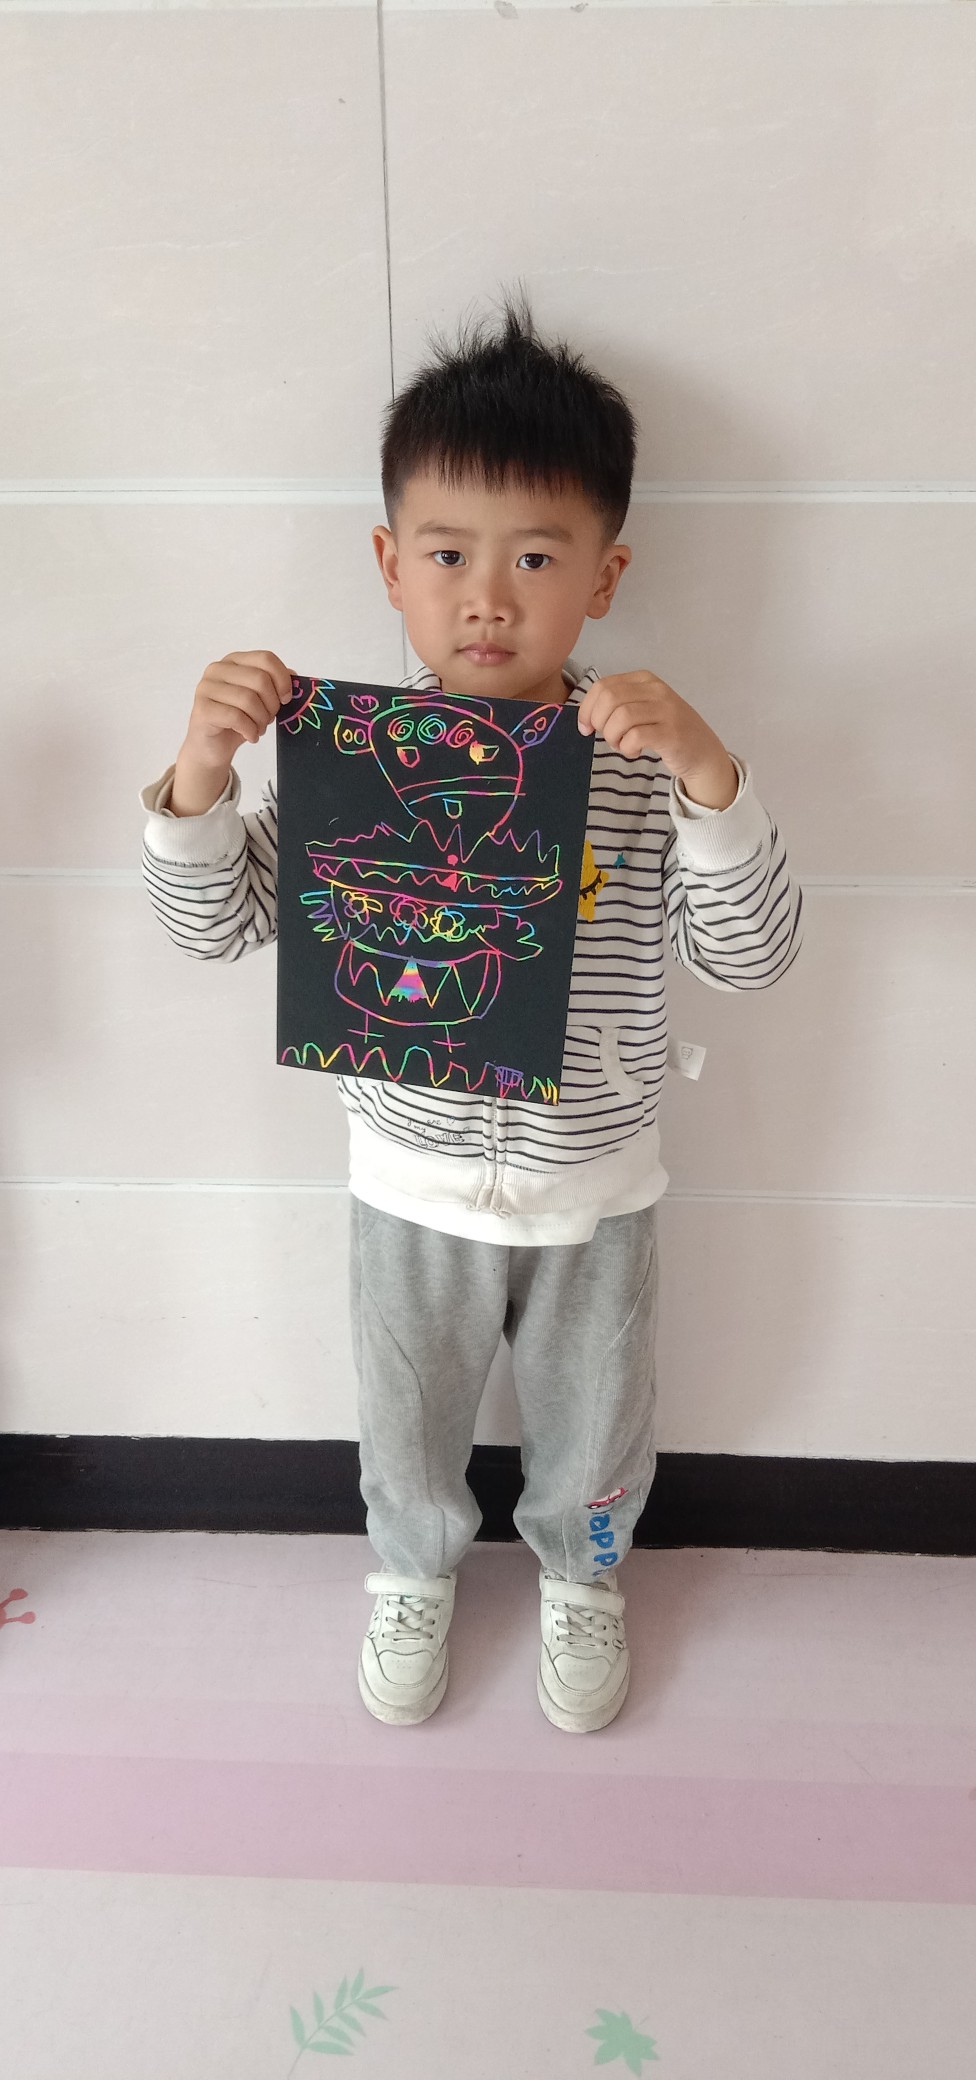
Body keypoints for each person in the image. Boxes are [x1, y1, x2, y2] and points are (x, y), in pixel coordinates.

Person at [139, 287, 803, 1735]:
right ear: (391, 565)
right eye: (448, 553)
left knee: (598, 1426)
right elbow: (214, 928)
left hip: (595, 1184)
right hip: (409, 1181)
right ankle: (412, 1574)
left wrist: (711, 777)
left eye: (535, 556)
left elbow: (755, 958)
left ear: (604, 578)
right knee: (407, 1423)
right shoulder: (352, 767)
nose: (488, 596)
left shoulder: (638, 767)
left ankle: (586, 1577)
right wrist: (199, 778)